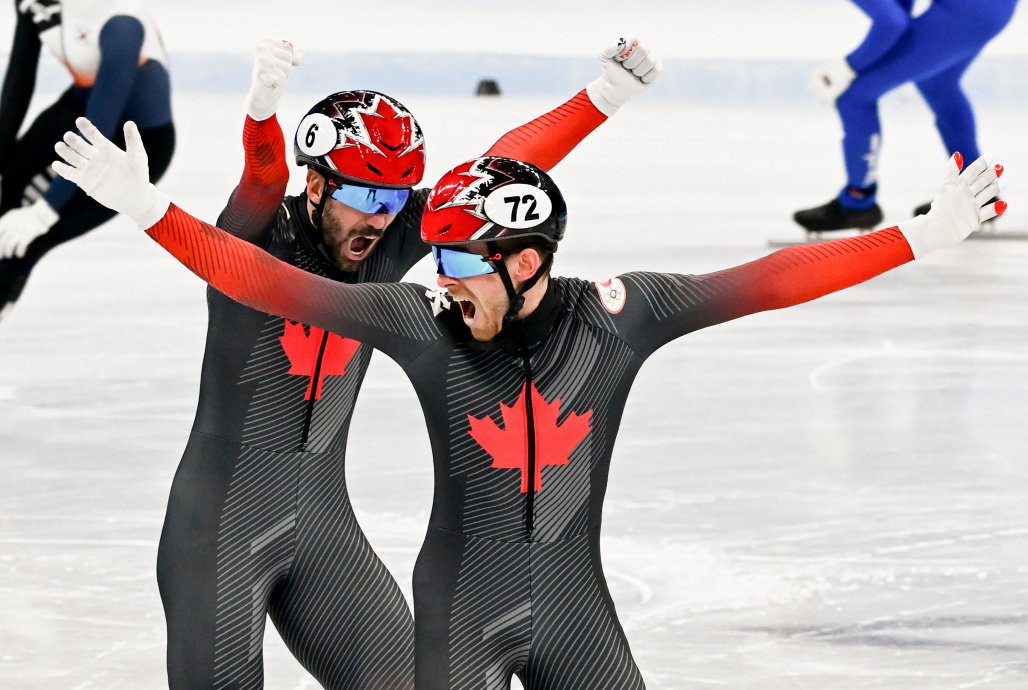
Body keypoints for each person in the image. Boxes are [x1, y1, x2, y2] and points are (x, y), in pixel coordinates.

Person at [54, 102, 1004, 686]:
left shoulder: (621, 317)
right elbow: (266, 281)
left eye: (461, 260)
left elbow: (766, 282)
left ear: (526, 261)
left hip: (575, 612)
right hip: (454, 614)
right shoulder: (416, 320)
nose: (438, 273)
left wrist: (912, 240)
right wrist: (149, 210)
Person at [142, 36, 660, 689]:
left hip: (323, 528)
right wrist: (261, 108)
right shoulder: (256, 237)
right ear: (316, 181)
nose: (385, 221)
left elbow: (496, 173)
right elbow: (260, 180)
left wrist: (605, 96)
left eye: (396, 202)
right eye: (368, 198)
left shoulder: (381, 246)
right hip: (216, 528)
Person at [0, 0, 174, 319]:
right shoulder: (31, 3)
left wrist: (43, 212)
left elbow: (98, 132)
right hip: (80, 109)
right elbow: (17, 86)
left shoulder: (120, 19)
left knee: (24, 245)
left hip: (137, 144)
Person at [794, 0, 1016, 232]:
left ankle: (857, 202)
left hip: (966, 13)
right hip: (993, 9)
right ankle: (979, 192)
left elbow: (891, 22)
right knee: (938, 83)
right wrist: (906, 56)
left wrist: (848, 66)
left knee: (854, 96)